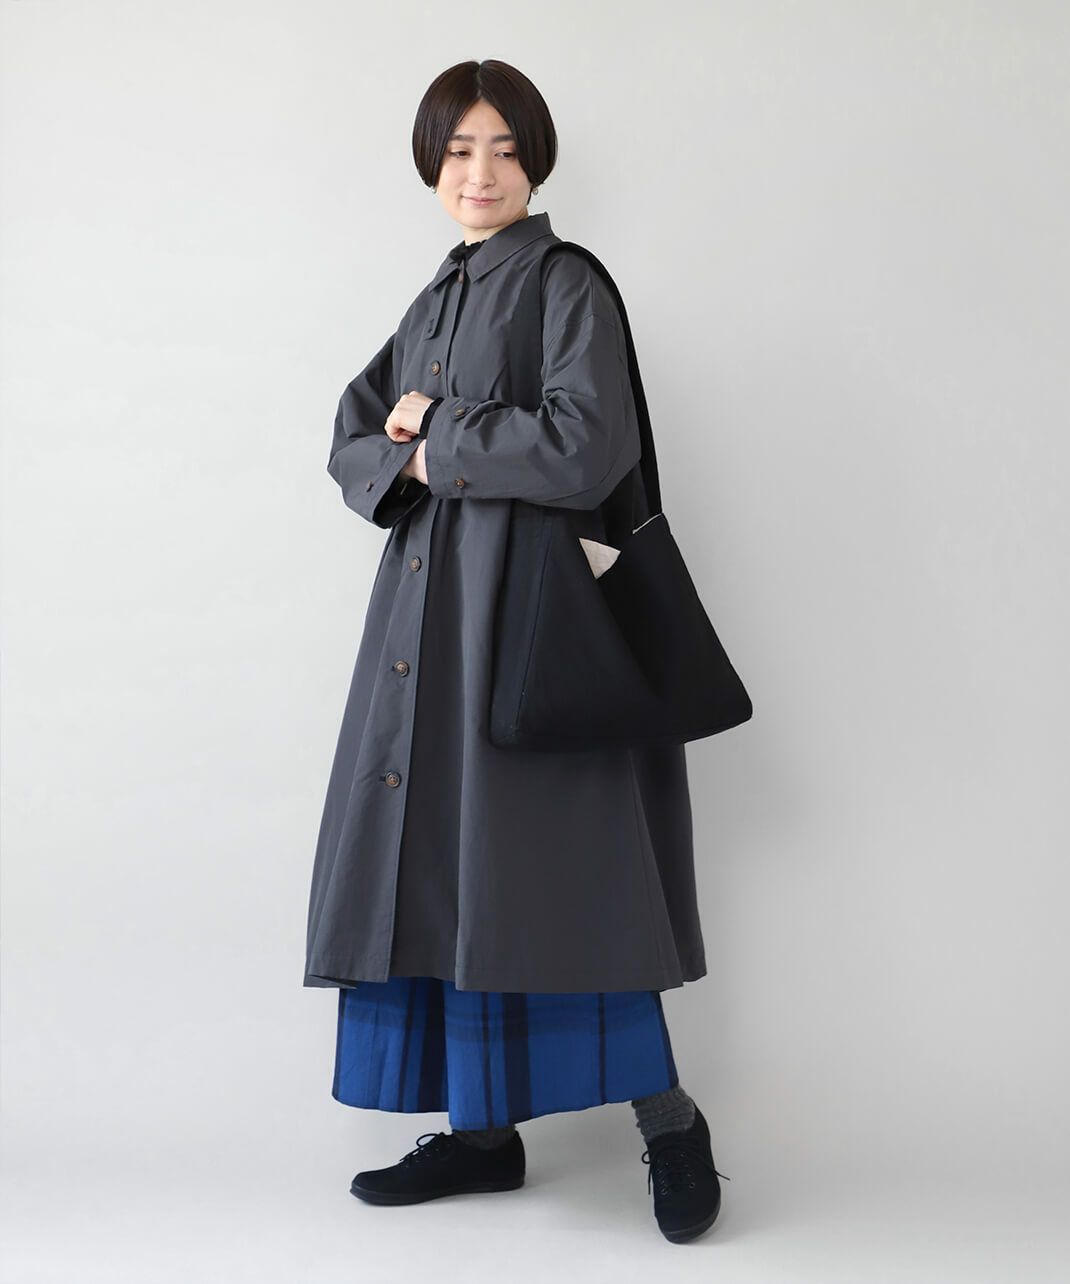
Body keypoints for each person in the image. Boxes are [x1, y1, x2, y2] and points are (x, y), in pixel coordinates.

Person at [304, 58, 729, 1244]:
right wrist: (409, 449)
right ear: (430, 166)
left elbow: (587, 448)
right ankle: (484, 1137)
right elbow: (351, 438)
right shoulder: (433, 298)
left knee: (565, 874)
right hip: (424, 628)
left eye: (500, 148)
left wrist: (439, 434)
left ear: (534, 159)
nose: (478, 173)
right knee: (444, 867)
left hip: (527, 629)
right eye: (456, 152)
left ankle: (670, 1123)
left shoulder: (564, 282)